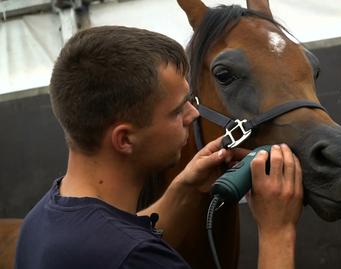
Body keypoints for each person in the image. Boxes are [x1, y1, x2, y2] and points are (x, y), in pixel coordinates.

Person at [14, 26, 303, 269]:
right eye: (177, 111)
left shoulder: (41, 221)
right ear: (125, 140)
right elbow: (127, 250)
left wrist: (186, 190)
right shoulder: (139, 258)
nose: (193, 114)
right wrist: (277, 232)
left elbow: (115, 237)